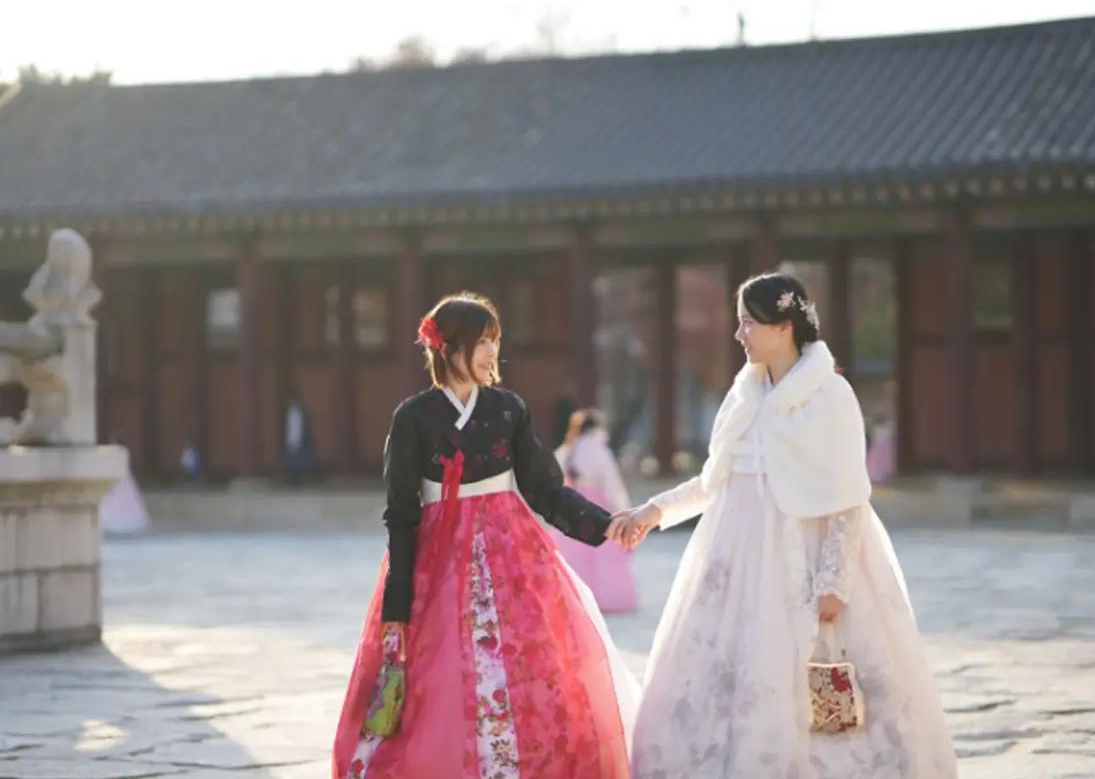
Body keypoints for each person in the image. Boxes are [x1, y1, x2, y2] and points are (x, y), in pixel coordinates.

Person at [612, 273, 957, 778]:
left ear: (784, 326)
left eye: (748, 323)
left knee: (815, 682)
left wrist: (834, 582)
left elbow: (847, 501)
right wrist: (654, 511)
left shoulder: (831, 396)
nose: (739, 335)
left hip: (804, 554)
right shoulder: (743, 395)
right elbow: (717, 480)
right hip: (735, 557)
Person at [333, 292, 640, 779]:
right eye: (480, 341)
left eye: (495, 340)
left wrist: (606, 524)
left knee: (532, 670)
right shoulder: (413, 417)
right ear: (447, 347)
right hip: (438, 558)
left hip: (511, 553)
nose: (491, 352)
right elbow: (401, 513)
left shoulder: (508, 409)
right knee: (437, 677)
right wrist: (398, 606)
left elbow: (546, 491)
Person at [551, 409, 638, 613]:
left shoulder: (565, 451)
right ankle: (606, 600)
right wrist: (623, 511)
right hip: (597, 506)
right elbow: (612, 485)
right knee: (601, 553)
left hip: (571, 507)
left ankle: (573, 600)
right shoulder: (599, 450)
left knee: (571, 556)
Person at [282, 393, 317, 484]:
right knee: (297, 460)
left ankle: (296, 479)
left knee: (296, 460)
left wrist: (293, 441)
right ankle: (296, 478)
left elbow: (295, 429)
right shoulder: (297, 412)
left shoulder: (295, 413)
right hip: (296, 441)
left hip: (296, 441)